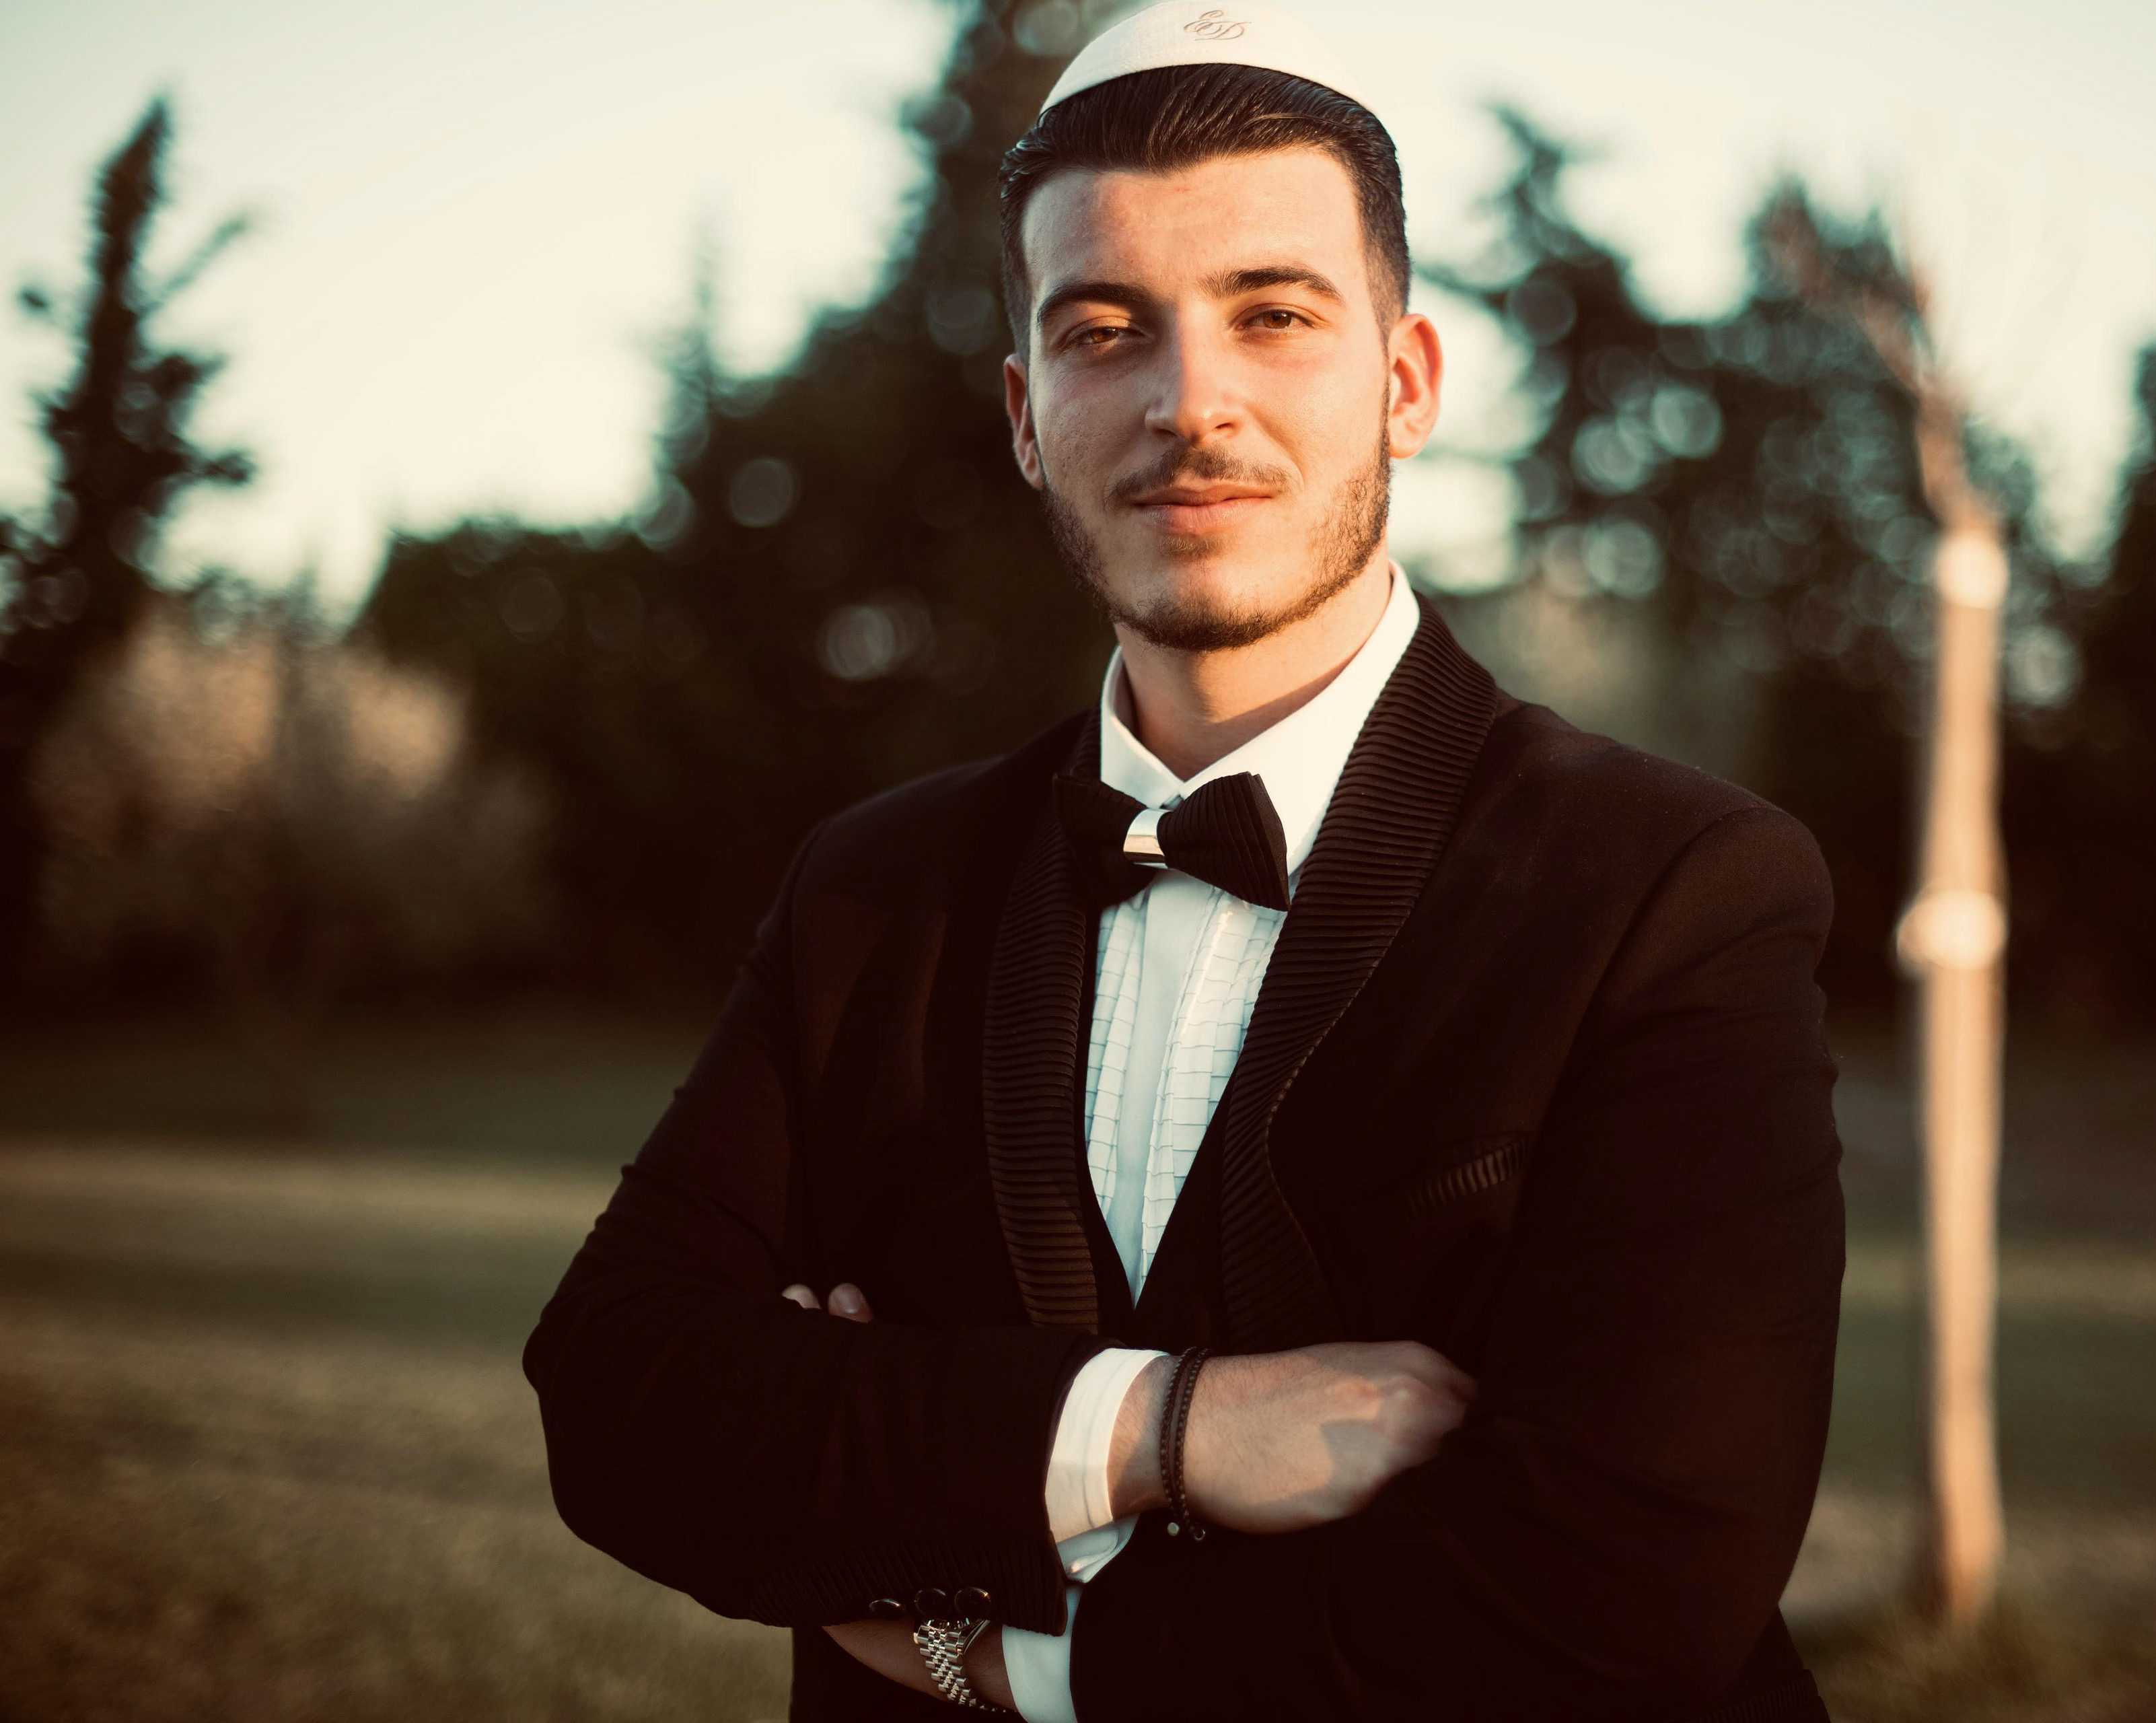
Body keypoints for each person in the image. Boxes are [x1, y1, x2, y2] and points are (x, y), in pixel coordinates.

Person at [524, 4, 1846, 1718]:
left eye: (1272, 314)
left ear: (1407, 381)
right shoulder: (871, 888)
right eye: (1103, 331)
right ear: (1025, 412)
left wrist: (1009, 1652)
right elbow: (622, 1401)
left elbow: (1619, 1588)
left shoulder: (1675, 886)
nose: (1188, 402)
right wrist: (1161, 1427)